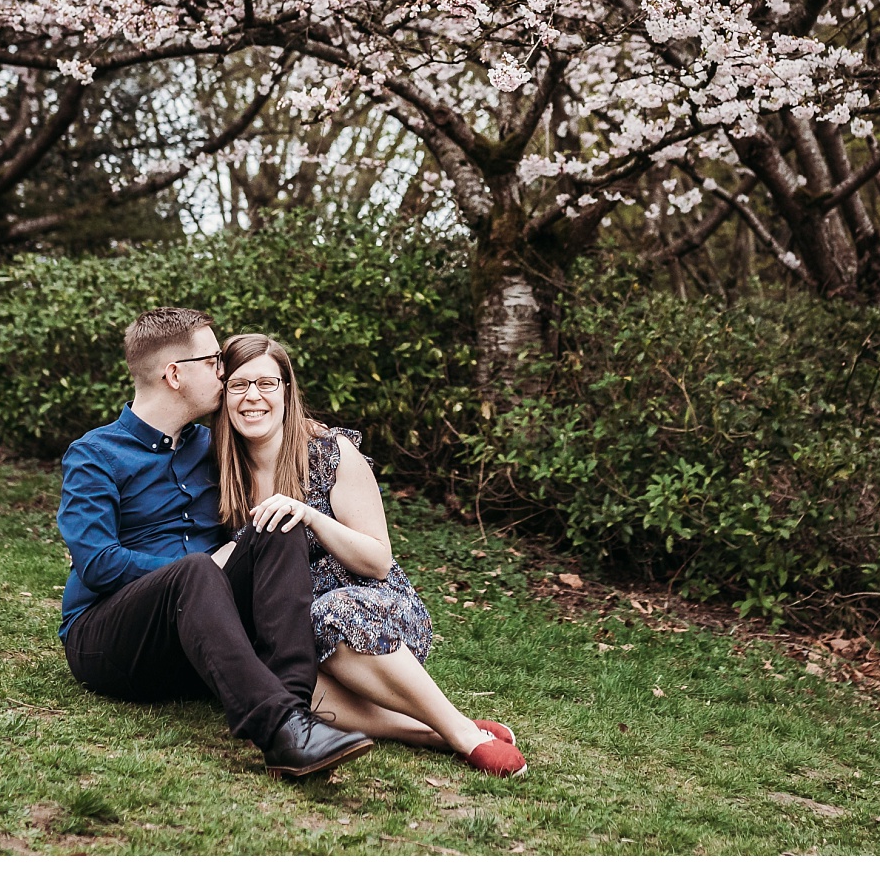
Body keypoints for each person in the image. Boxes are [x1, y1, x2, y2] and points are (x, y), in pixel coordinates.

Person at [55, 307, 373, 778]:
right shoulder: (95, 455)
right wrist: (203, 563)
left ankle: (295, 712)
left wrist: (312, 433)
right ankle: (276, 728)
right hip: (109, 641)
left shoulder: (211, 444)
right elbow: (98, 564)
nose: (223, 373)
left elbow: (269, 427)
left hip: (200, 633)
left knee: (279, 520)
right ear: (174, 374)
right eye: (213, 361)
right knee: (196, 568)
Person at [211, 332, 528, 776]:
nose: (253, 398)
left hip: (374, 610)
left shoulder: (329, 453)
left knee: (330, 612)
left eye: (266, 384)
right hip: (293, 626)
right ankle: (428, 731)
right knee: (284, 684)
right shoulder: (223, 470)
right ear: (223, 396)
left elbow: (378, 560)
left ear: (287, 390)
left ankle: (463, 734)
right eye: (239, 386)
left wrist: (310, 517)